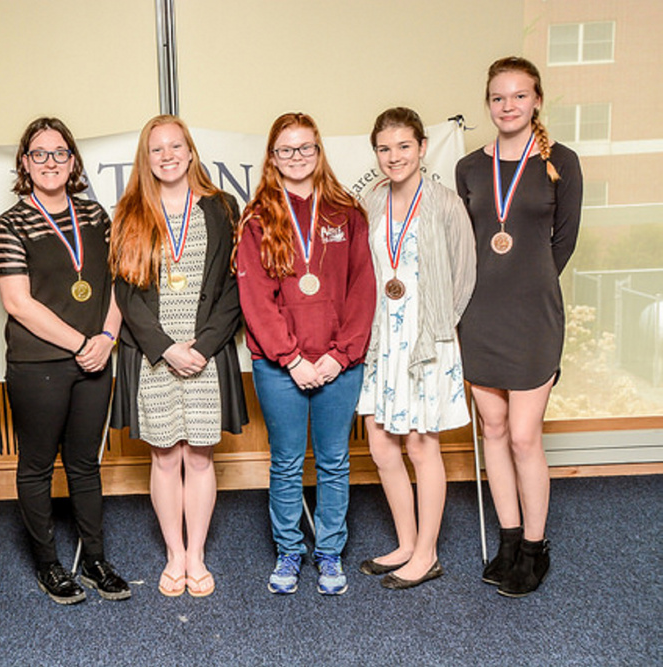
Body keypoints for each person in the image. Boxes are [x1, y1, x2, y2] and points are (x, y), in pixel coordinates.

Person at [456, 57, 582, 597]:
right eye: (498, 97)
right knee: (495, 433)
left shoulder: (562, 163)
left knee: (526, 437)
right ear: (489, 103)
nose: (508, 106)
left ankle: (535, 546)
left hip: (532, 317)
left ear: (536, 100)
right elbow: (465, 245)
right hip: (479, 316)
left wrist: (526, 284)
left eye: (518, 96)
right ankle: (507, 540)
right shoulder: (467, 168)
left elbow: (564, 241)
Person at [235, 112, 375, 596]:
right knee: (287, 462)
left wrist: (340, 355)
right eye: (286, 150)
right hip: (279, 367)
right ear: (272, 158)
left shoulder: (347, 213)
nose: (297, 158)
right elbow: (256, 301)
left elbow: (363, 291)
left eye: (305, 148)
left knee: (336, 461)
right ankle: (289, 551)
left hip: (340, 363)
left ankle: (330, 551)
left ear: (319, 152)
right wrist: (291, 358)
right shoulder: (257, 221)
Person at [0, 117, 130, 605]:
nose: (50, 162)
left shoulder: (96, 217)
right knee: (35, 466)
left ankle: (93, 558)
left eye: (59, 153)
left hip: (97, 357)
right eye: (39, 154)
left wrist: (108, 336)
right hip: (40, 364)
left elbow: (120, 283)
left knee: (84, 464)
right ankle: (48, 565)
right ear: (25, 164)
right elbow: (17, 302)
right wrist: (82, 343)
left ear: (73, 161)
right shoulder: (11, 223)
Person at [110, 115, 248, 598]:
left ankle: (197, 554)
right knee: (167, 458)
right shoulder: (129, 212)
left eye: (175, 146)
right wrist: (167, 348)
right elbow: (125, 293)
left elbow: (236, 286)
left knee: (201, 457)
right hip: (155, 355)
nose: (167, 156)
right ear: (145, 160)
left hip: (206, 354)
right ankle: (174, 554)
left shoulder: (222, 207)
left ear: (190, 152)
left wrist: (204, 347)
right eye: (156, 149)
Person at [356, 108, 476, 589]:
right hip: (382, 338)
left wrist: (438, 328)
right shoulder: (370, 201)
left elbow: (464, 276)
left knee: (421, 447)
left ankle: (427, 553)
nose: (394, 156)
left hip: (427, 339)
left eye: (403, 146)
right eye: (384, 148)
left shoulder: (445, 203)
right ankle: (406, 543)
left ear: (422, 147)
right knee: (382, 444)